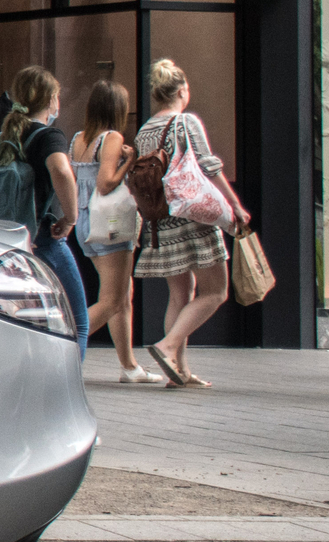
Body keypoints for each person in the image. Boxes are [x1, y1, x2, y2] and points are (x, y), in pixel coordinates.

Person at [135, 58, 244, 389]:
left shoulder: (144, 131)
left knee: (180, 294)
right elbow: (208, 167)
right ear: (182, 90)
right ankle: (167, 347)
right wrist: (233, 204)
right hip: (193, 217)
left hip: (162, 223)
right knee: (216, 290)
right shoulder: (186, 122)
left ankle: (178, 372)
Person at [0, 65, 86, 353]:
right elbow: (60, 169)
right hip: (42, 239)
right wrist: (70, 217)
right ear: (51, 99)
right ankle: (68, 391)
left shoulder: (2, 139)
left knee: (21, 324)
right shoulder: (48, 136)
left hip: (5, 242)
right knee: (76, 321)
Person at [70, 80, 156, 383]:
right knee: (112, 300)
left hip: (85, 224)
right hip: (111, 226)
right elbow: (106, 183)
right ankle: (63, 346)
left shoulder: (78, 139)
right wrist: (129, 161)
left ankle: (129, 367)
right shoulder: (112, 138)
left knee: (122, 295)